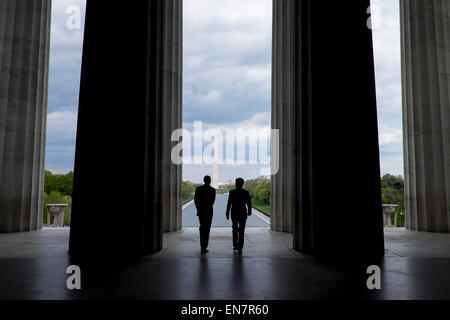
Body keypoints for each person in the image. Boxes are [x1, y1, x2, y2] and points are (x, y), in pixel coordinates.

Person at [226, 178, 252, 254]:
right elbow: (249, 203)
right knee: (241, 231)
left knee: (234, 229)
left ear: (236, 183)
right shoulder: (246, 192)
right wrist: (249, 211)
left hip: (234, 213)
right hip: (243, 213)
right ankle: (240, 247)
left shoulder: (232, 192)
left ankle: (235, 245)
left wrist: (227, 212)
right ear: (242, 184)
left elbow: (229, 203)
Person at [194, 175, 216, 253]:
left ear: (204, 180)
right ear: (210, 181)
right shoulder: (213, 190)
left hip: (201, 211)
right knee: (207, 229)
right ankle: (205, 246)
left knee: (202, 228)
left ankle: (202, 246)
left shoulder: (198, 189)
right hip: (209, 211)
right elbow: (213, 201)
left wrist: (199, 209)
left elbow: (196, 201)